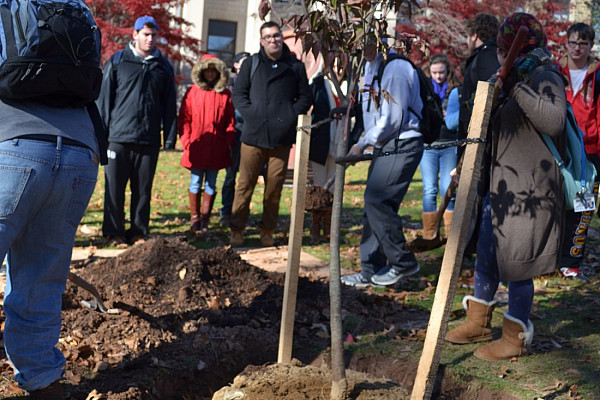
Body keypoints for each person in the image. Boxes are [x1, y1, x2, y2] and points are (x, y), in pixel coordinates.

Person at [445, 13, 567, 361]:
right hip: (500, 190)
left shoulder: (544, 75)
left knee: (518, 263)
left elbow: (555, 121)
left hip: (531, 191)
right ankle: (478, 320)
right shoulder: (513, 76)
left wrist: (514, 86)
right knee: (486, 256)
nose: (499, 55)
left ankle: (515, 336)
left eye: (502, 49)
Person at [0, 43, 101, 400]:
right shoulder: (76, 10)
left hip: (12, 146)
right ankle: (43, 379)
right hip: (79, 153)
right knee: (41, 277)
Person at [340, 43, 424, 288]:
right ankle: (371, 270)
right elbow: (373, 114)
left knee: (378, 201)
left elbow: (393, 118)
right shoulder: (370, 66)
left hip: (402, 142)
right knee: (371, 206)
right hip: (385, 144)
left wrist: (362, 143)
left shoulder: (395, 67)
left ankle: (403, 262)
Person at [97, 15, 177, 246]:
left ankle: (139, 232)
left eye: (153, 35)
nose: (150, 39)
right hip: (118, 139)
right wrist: (101, 135)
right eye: (145, 34)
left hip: (148, 139)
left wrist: (170, 138)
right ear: (135, 34)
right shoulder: (118, 61)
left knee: (143, 191)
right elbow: (105, 100)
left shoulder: (163, 66)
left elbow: (169, 105)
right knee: (114, 189)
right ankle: (114, 233)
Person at [230, 21, 312, 247]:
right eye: (268, 37)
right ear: (261, 41)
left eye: (276, 36)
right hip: (253, 135)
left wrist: (288, 117)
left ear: (281, 38)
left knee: (274, 188)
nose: (273, 40)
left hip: (281, 138)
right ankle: (237, 229)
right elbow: (238, 95)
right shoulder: (252, 64)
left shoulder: (295, 66)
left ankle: (268, 230)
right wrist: (252, 114)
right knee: (245, 185)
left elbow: (305, 97)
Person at [556, 22, 600, 281]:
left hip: (591, 151)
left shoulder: (597, 73)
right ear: (566, 44)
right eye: (573, 42)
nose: (577, 48)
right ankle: (550, 257)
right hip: (561, 148)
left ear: (590, 46)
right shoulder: (554, 70)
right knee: (556, 204)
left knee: (583, 208)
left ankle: (571, 261)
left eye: (583, 43)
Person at [178, 54, 235, 234]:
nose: (210, 74)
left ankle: (205, 220)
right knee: (195, 182)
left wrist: (228, 141)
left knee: (211, 184)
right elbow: (184, 119)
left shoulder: (225, 94)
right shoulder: (192, 92)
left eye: (214, 70)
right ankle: (194, 220)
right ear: (201, 71)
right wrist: (186, 141)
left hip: (217, 148)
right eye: (207, 70)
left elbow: (230, 121)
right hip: (196, 147)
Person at [419, 53, 460, 239]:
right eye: (434, 73)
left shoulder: (455, 91)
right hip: (428, 145)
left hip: (449, 144)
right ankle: (430, 235)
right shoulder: (425, 89)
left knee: (447, 188)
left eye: (441, 72)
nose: (438, 76)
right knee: (429, 189)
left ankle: (450, 234)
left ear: (447, 71)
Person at [459, 13, 501, 149]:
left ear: (475, 35)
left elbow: (491, 96)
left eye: (467, 36)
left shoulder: (486, 57)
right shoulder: (488, 55)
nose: (466, 41)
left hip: (481, 140)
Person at [219, 51, 250, 226]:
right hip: (234, 136)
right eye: (243, 62)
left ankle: (242, 214)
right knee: (230, 177)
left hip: (251, 136)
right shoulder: (229, 86)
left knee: (247, 179)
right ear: (236, 65)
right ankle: (225, 212)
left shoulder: (256, 84)